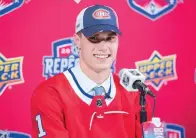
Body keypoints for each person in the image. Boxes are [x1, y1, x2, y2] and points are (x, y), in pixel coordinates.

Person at [31, 4, 152, 138]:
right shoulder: (50, 94)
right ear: (77, 41)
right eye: (94, 38)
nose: (104, 47)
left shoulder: (134, 93)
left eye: (110, 38)